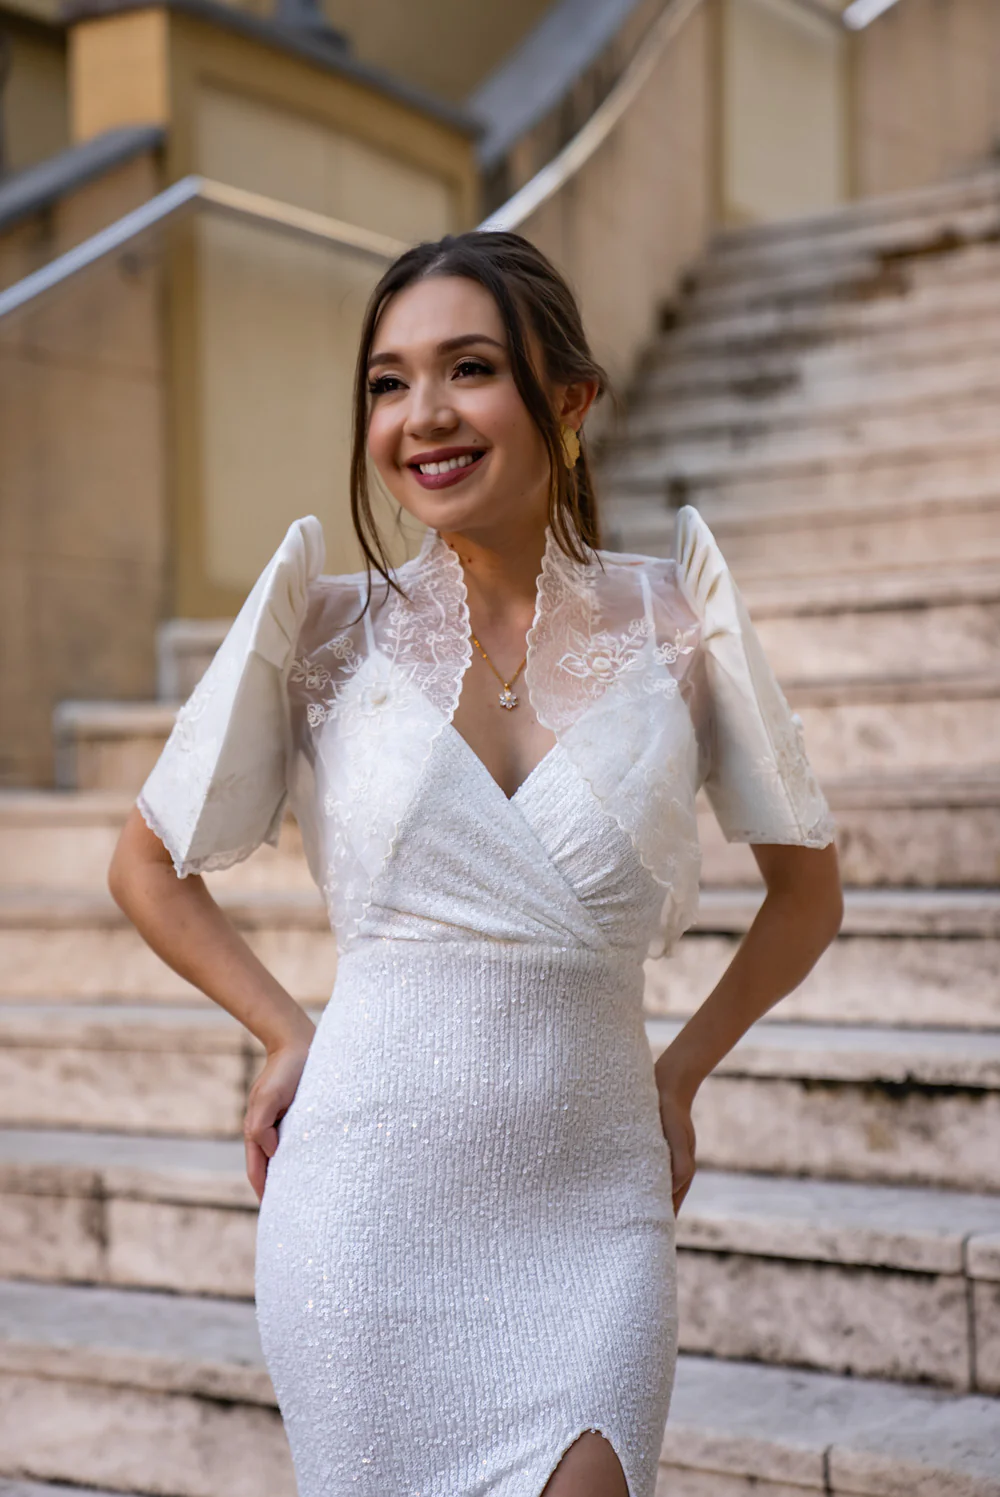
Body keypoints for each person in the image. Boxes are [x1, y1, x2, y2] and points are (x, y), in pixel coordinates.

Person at [108, 230, 843, 1497]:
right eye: (387, 383)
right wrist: (286, 1033)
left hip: (593, 1205)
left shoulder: (676, 625)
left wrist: (677, 1075)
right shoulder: (325, 629)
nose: (423, 416)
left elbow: (807, 897)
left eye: (469, 369)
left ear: (569, 399)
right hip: (363, 1215)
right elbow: (145, 865)